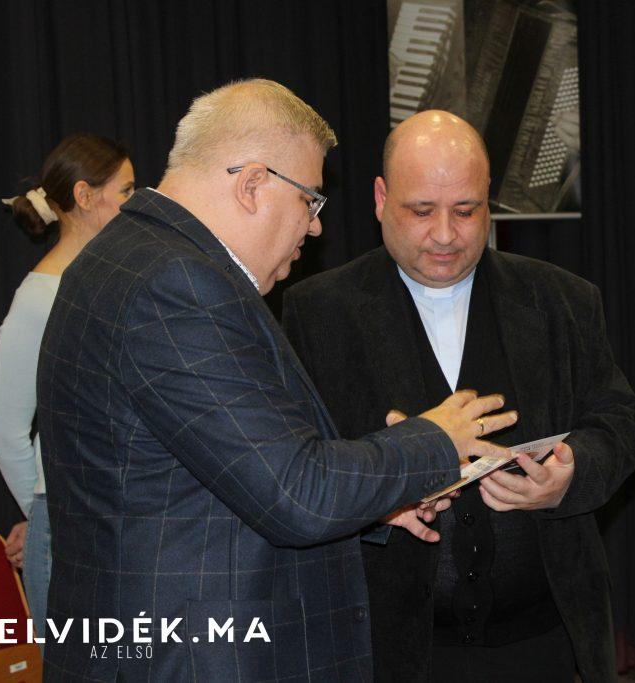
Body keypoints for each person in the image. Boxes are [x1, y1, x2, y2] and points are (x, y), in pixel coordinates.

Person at [36, 80, 516, 682]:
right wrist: (436, 438)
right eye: (310, 201)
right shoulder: (178, 285)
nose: (314, 228)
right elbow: (297, 494)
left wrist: (375, 505)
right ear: (253, 184)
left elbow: (221, 479)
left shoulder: (125, 255)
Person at [284, 110, 635, 682]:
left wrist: (572, 473)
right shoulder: (317, 313)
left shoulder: (562, 300)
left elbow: (619, 421)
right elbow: (298, 465)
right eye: (422, 211)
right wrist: (379, 499)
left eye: (467, 210)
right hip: (389, 648)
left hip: (544, 642)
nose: (446, 234)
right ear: (380, 199)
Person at [0, 133, 134, 644]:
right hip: (72, 529)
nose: (135, 204)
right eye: (126, 191)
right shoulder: (38, 300)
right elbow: (7, 433)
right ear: (84, 196)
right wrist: (46, 515)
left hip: (118, 522)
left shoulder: (113, 285)